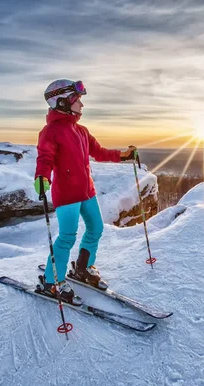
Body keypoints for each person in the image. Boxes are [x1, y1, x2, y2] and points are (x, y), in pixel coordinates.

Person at [34, 79, 136, 304]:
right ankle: (52, 282)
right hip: (67, 195)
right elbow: (45, 158)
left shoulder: (81, 131)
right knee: (67, 237)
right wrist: (42, 177)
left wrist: (123, 156)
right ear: (61, 102)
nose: (82, 105)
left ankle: (82, 268)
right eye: (77, 100)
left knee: (96, 228)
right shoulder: (50, 131)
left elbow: (99, 152)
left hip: (87, 191)